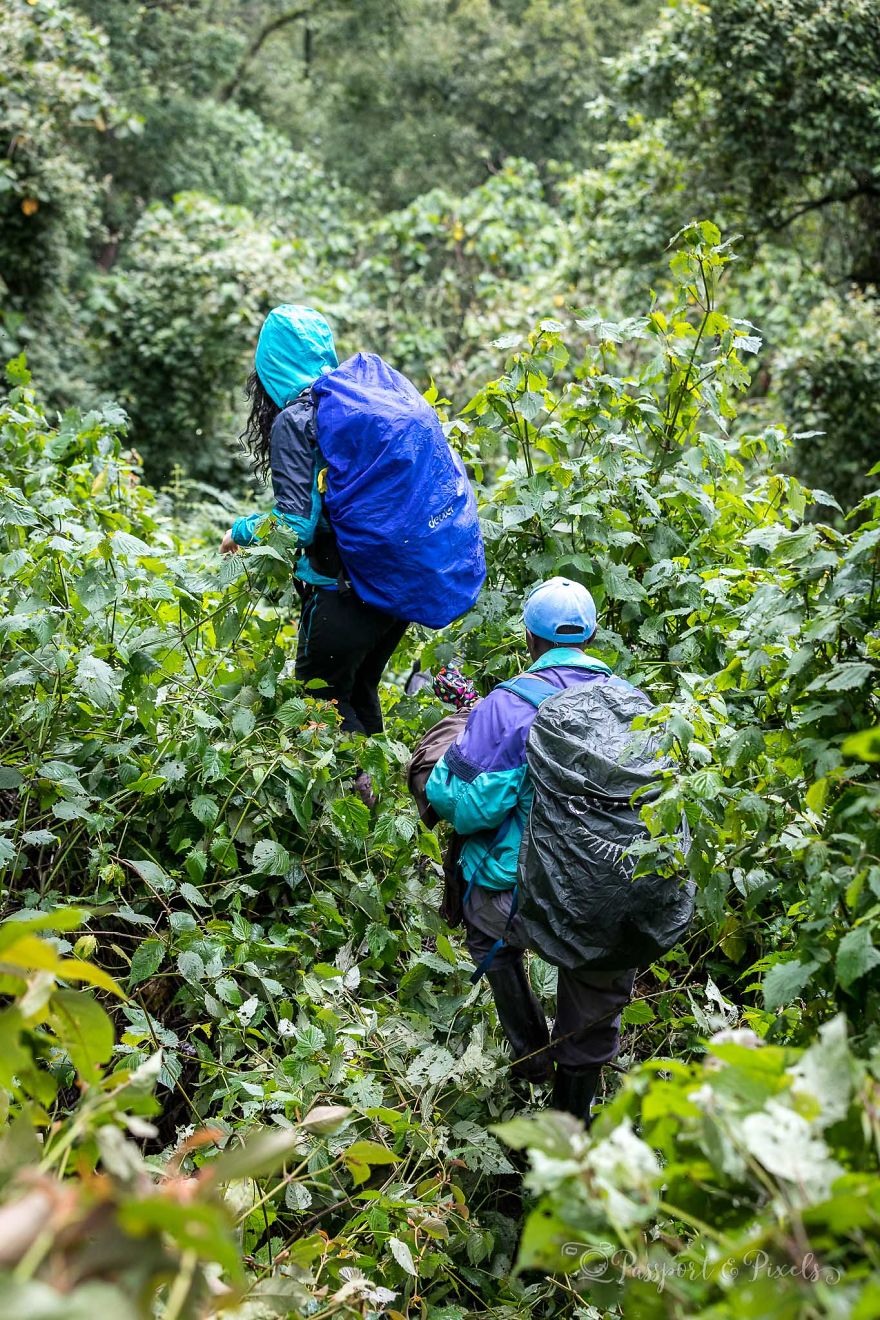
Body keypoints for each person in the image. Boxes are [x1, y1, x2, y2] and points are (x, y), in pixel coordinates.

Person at [424, 578, 636, 1123]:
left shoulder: (509, 704)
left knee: (482, 924)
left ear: (529, 638)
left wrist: (458, 739)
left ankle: (529, 1051)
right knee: (595, 998)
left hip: (521, 898)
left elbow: (467, 806)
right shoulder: (636, 704)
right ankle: (573, 1120)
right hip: (616, 895)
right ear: (590, 635)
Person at [220, 305, 408, 745]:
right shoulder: (351, 406)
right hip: (393, 587)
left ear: (271, 367)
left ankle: (356, 803)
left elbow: (294, 527)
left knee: (317, 701)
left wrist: (240, 532)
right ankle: (385, 803)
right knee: (356, 692)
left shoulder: (298, 419)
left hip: (344, 590)